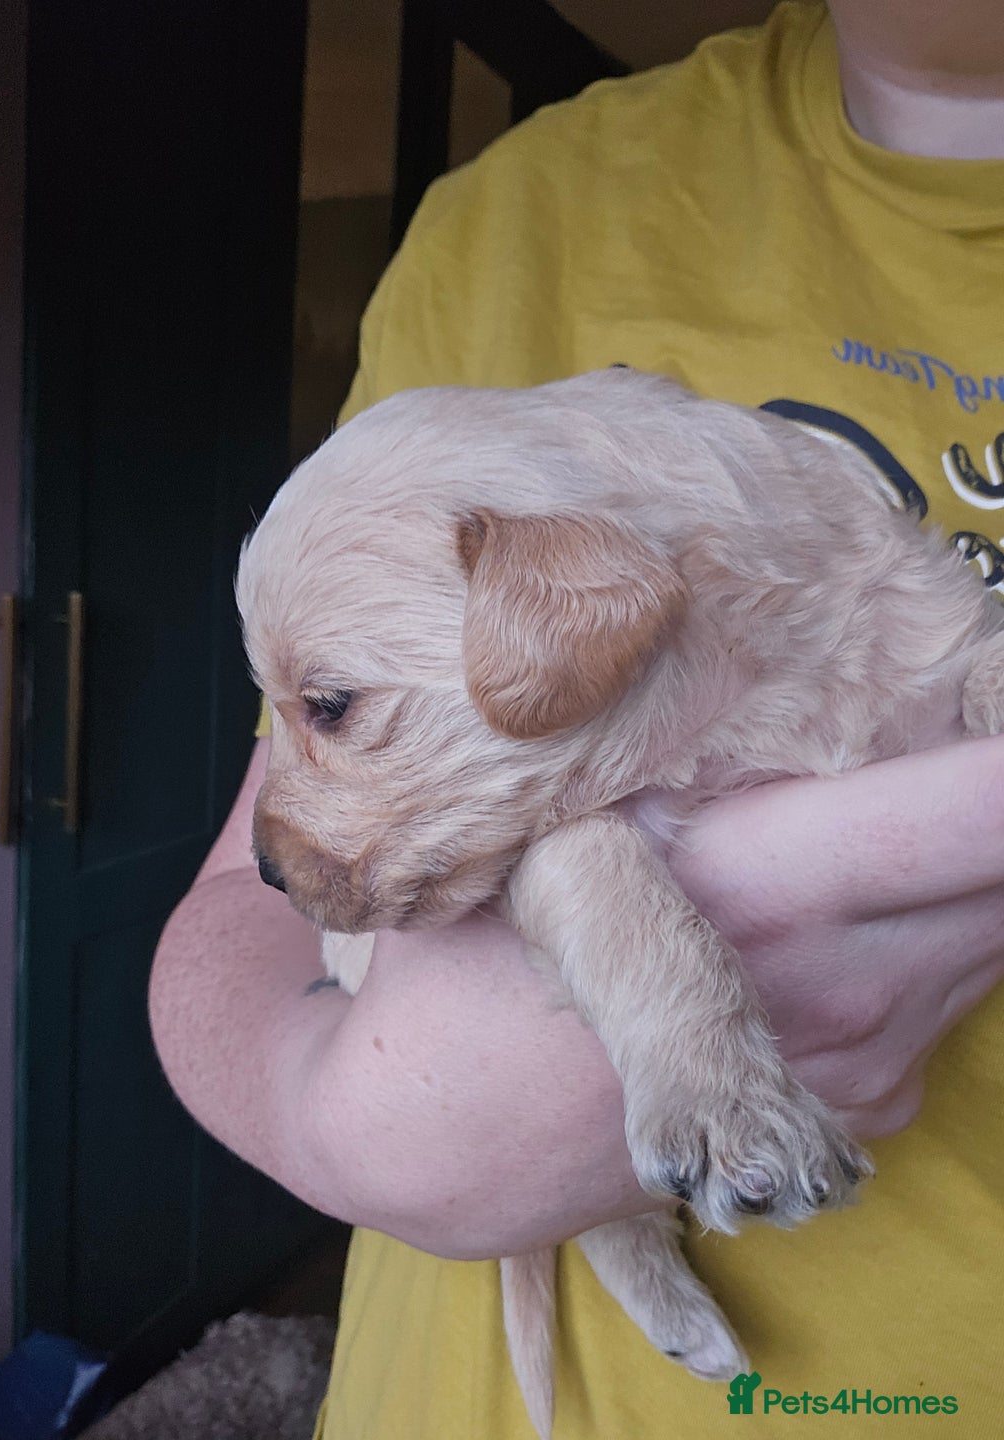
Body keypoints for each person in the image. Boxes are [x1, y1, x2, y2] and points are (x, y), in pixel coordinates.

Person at [150, 0, 1004, 1433]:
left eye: (334, 709)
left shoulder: (773, 570)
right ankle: (624, 1244)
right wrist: (351, 1128)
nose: (303, 815)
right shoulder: (514, 220)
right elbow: (257, 896)